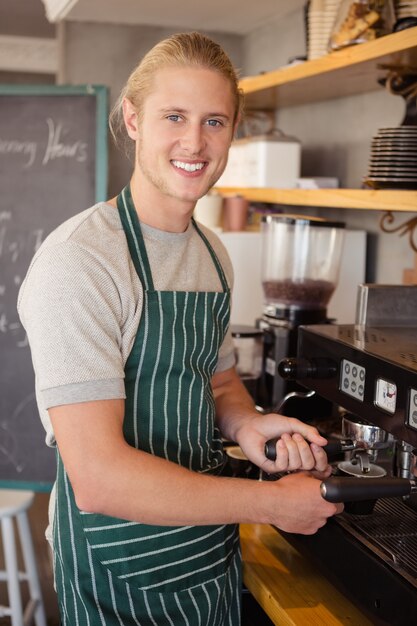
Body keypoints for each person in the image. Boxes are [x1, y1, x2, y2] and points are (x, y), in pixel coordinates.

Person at [18, 31, 343, 626]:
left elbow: (218, 384)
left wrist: (248, 425)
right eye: (175, 116)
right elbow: (98, 478)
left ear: (234, 130)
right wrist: (271, 503)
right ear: (133, 119)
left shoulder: (212, 253)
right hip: (117, 566)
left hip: (206, 549)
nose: (195, 142)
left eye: (215, 121)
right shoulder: (81, 263)